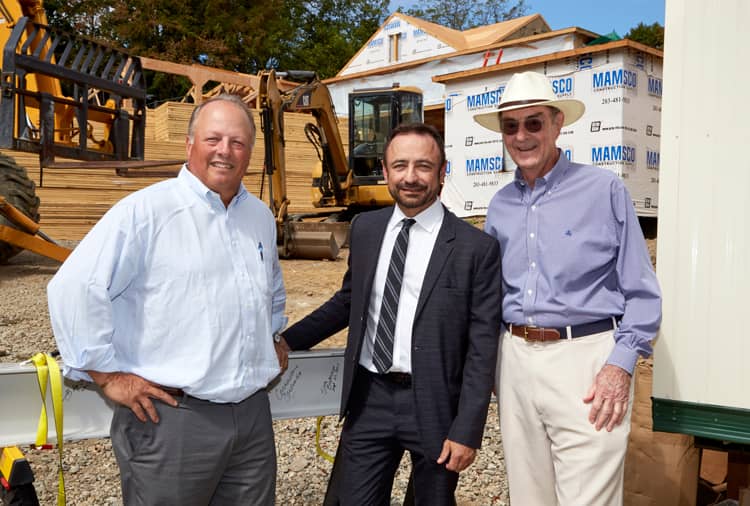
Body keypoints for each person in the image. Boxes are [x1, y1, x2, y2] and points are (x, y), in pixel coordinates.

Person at [47, 94, 287, 506]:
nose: (225, 151)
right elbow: (74, 286)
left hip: (251, 418)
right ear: (189, 143)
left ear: (251, 152)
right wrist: (107, 376)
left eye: (238, 142)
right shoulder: (147, 211)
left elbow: (271, 290)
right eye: (213, 138)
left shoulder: (260, 218)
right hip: (173, 420)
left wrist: (273, 335)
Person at [276, 123, 502, 505]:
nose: (410, 177)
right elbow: (348, 302)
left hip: (435, 403)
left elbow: (482, 347)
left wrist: (468, 428)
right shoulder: (366, 228)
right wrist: (286, 341)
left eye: (423, 166)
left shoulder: (475, 249)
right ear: (385, 171)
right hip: (370, 397)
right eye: (400, 166)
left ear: (442, 173)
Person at [474, 71, 662, 505]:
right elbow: (491, 295)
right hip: (515, 361)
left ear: (558, 124)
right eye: (510, 126)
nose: (521, 136)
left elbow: (642, 290)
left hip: (588, 363)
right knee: (528, 497)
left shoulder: (605, 190)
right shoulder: (499, 205)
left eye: (534, 123)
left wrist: (620, 365)